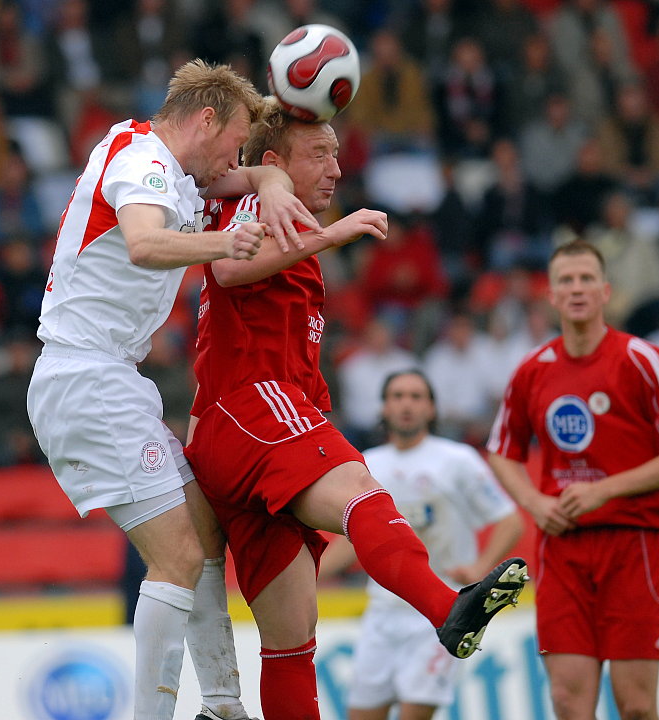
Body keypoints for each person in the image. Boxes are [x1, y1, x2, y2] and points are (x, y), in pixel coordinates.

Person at [184, 98, 529, 720]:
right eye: (319, 154)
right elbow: (228, 269)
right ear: (273, 163)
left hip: (236, 431)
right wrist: (331, 229)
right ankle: (446, 608)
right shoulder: (263, 206)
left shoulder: (287, 231)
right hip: (252, 409)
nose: (336, 169)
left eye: (338, 154)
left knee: (292, 640)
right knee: (362, 492)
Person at [26, 58, 322, 720]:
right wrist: (225, 243)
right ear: (206, 119)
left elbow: (254, 174)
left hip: (104, 378)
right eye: (232, 140)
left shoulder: (170, 168)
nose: (230, 158)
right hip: (87, 376)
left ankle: (222, 705)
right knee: (180, 553)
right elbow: (142, 244)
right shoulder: (142, 158)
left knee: (204, 532)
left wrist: (271, 178)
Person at [486, 239, 659, 720]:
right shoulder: (533, 369)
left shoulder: (642, 360)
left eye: (587, 278)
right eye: (566, 279)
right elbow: (501, 451)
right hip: (562, 549)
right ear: (552, 295)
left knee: (636, 706)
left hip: (635, 545)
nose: (577, 288)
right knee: (568, 702)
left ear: (606, 291)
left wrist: (603, 489)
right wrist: (534, 502)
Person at [319, 369, 523, 720]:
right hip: (381, 614)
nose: (406, 404)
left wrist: (478, 568)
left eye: (416, 396)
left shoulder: (457, 460)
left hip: (438, 613)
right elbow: (356, 543)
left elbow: (511, 520)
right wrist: (311, 577)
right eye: (397, 396)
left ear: (431, 408)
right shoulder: (365, 465)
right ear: (383, 407)